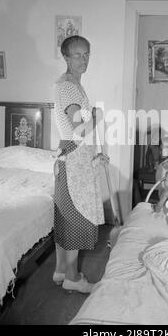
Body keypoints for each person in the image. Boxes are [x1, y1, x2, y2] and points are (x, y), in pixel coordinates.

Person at [53, 35, 105, 293]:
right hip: (74, 155)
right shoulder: (70, 88)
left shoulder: (67, 83)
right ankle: (73, 278)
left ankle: (62, 270)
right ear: (65, 57)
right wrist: (97, 116)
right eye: (77, 55)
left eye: (86, 54)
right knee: (75, 214)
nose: (83, 59)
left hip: (70, 154)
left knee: (65, 212)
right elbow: (79, 130)